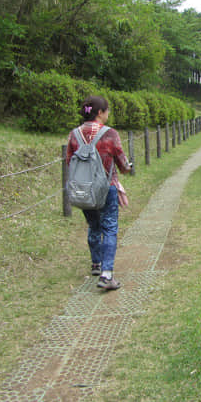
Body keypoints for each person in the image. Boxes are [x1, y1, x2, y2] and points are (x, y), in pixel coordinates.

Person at [66, 95, 132, 290]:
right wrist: (127, 167)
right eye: (107, 110)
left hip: (84, 188)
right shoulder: (109, 134)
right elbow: (121, 161)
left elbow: (70, 161)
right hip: (106, 188)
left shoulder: (74, 134)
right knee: (109, 227)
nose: (108, 114)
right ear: (100, 112)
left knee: (93, 225)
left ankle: (96, 264)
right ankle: (107, 274)